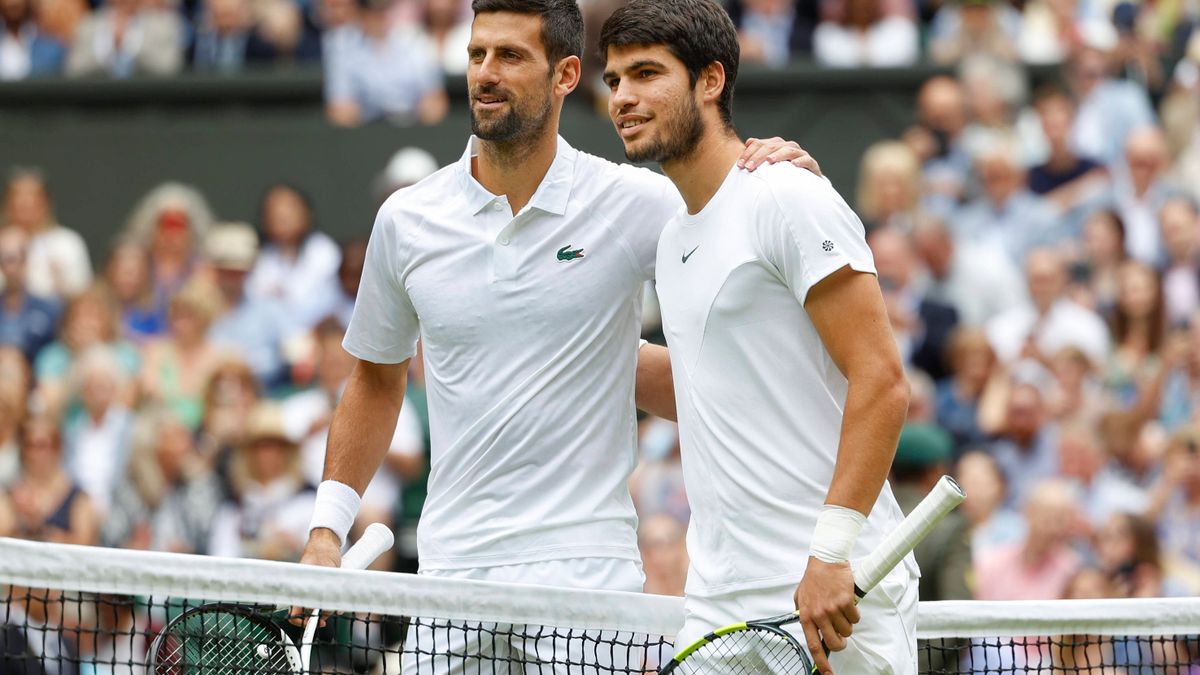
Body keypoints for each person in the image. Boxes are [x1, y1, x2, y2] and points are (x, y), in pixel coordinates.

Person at [296, 0, 816, 664]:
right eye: (477, 54)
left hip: (588, 574)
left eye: (510, 56)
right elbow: (375, 379)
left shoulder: (635, 202)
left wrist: (783, 179)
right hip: (453, 573)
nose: (486, 73)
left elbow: (751, 241)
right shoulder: (406, 219)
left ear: (567, 74)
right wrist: (326, 529)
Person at [599, 2, 915, 673]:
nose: (623, 97)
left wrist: (830, 551)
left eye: (645, 73)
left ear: (710, 81)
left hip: (835, 584)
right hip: (720, 600)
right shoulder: (675, 237)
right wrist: (556, 348)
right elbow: (702, 389)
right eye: (614, 80)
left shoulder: (783, 196)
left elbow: (883, 379)